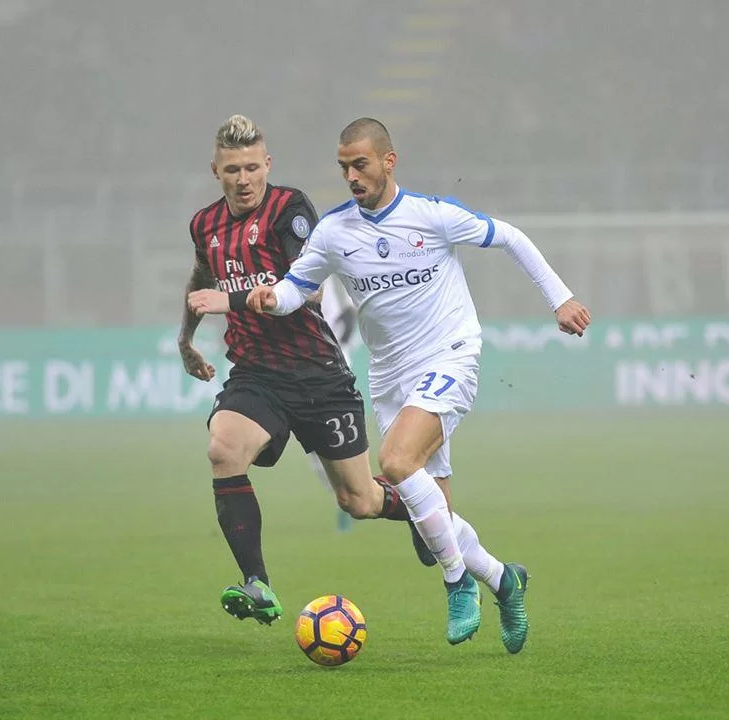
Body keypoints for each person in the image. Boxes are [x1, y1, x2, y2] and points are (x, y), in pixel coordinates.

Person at [244, 118, 592, 654]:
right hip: (389, 376)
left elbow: (512, 238)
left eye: (360, 164)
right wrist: (274, 297)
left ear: (389, 161)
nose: (351, 176)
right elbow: (298, 287)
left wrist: (560, 298)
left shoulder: (432, 217)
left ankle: (458, 587)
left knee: (398, 461)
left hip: (450, 354)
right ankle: (504, 580)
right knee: (435, 519)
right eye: (343, 167)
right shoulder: (334, 231)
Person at [180, 114, 417, 627]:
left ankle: (421, 515)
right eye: (231, 171)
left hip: (317, 374)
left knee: (359, 500)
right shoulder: (205, 224)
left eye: (251, 168)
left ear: (267, 165)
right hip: (256, 373)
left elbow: (305, 288)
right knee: (223, 448)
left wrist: (233, 299)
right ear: (215, 172)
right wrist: (185, 340)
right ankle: (257, 583)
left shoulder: (291, 210)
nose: (243, 180)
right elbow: (202, 277)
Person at [309, 275, 359, 532]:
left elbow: (350, 313)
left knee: (342, 441)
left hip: (334, 365)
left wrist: (341, 344)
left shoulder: (326, 268)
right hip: (302, 368)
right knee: (316, 452)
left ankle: (355, 496)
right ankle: (344, 496)